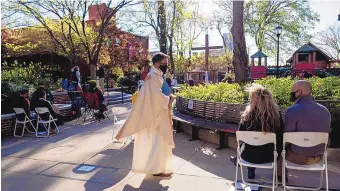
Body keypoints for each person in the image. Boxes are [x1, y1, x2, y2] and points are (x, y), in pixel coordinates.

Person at [115, 52, 176, 177]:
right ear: (157, 64)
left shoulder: (157, 75)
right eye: (164, 64)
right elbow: (155, 96)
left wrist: (167, 97)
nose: (166, 66)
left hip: (159, 113)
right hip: (156, 115)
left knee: (159, 142)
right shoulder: (153, 76)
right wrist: (169, 98)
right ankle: (156, 169)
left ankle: (158, 168)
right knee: (157, 142)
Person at [229, 85, 284, 180]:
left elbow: (240, 135)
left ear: (254, 99)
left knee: (246, 144)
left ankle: (247, 167)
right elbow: (281, 136)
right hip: (270, 156)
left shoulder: (248, 115)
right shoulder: (276, 116)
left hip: (248, 156)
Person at [280, 80, 331, 180]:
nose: (291, 93)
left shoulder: (292, 110)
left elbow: (287, 138)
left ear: (299, 92)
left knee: (277, 151)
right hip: (319, 157)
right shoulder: (325, 110)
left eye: (293, 91)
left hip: (298, 158)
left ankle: (280, 178)